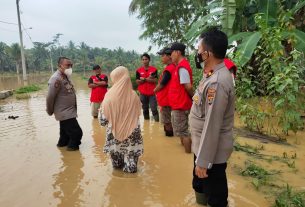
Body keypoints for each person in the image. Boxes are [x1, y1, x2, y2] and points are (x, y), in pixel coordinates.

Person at [189, 29, 235, 207]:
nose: (197, 53)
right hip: (202, 146)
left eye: (199, 49)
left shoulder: (217, 82)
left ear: (207, 54)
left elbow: (212, 124)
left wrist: (203, 161)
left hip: (210, 153)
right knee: (200, 186)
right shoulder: (211, 74)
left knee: (215, 196)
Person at [100, 66, 143, 173]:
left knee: (116, 168)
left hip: (114, 135)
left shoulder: (109, 96)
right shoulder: (134, 96)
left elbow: (103, 121)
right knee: (131, 168)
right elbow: (138, 114)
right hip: (133, 134)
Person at [46, 57, 83, 151]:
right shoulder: (56, 78)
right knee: (76, 133)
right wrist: (50, 111)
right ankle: (72, 157)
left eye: (71, 65)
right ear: (60, 65)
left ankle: (62, 150)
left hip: (68, 111)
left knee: (65, 136)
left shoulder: (65, 76)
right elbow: (50, 97)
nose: (70, 67)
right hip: (65, 113)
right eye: (68, 65)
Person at [169, 42, 193, 153]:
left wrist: (195, 99)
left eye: (172, 53)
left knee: (184, 133)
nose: (171, 56)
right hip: (178, 104)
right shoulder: (180, 66)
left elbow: (188, 87)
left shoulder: (182, 67)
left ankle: (188, 155)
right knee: (182, 132)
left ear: (178, 52)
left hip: (181, 105)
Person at [154, 47, 175, 137]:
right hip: (168, 98)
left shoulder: (169, 69)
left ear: (169, 56)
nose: (161, 58)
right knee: (169, 120)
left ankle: (169, 137)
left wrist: (154, 91)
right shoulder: (173, 67)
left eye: (162, 56)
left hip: (165, 99)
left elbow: (162, 84)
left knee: (166, 121)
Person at [136, 53, 159, 121]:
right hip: (143, 93)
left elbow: (155, 80)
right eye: (143, 59)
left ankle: (157, 122)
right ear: (141, 61)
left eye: (146, 59)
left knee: (154, 108)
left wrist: (145, 79)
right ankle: (146, 124)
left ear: (149, 60)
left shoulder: (154, 70)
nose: (144, 61)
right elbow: (137, 81)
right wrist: (148, 79)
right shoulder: (138, 70)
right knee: (145, 109)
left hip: (152, 93)